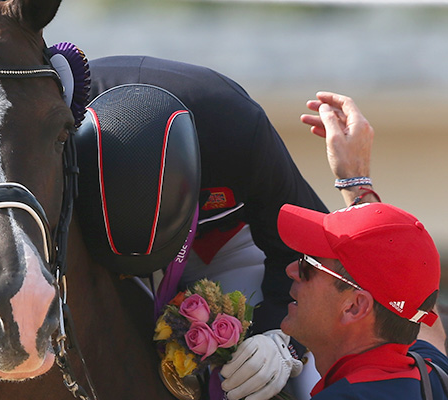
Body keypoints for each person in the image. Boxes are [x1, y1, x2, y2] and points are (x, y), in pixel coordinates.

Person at [87, 56, 328, 399]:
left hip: (226, 248)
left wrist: (282, 339)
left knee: (292, 376)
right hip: (114, 259)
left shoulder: (239, 129)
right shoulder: (66, 117)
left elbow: (310, 241)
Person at [272, 91, 448, 399]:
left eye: (308, 266)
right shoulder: (429, 369)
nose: (291, 270)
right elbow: (422, 314)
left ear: (356, 305)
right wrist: (356, 181)